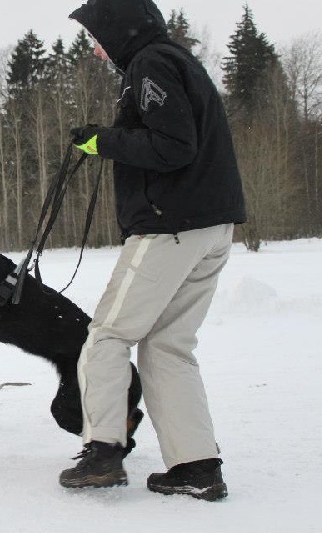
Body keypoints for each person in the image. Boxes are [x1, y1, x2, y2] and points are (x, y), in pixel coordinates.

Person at [59, 0, 246, 501]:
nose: (98, 51)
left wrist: (105, 141)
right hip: (210, 226)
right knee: (167, 346)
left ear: (119, 29)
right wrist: (110, 139)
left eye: (97, 37)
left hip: (171, 228)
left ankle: (102, 452)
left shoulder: (151, 63)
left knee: (106, 336)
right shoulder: (176, 61)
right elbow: (176, 139)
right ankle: (197, 466)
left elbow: (173, 146)